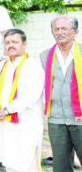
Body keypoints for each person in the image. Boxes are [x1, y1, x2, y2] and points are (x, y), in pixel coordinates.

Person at [0, 29, 44, 172]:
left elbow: (31, 95)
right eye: (7, 43)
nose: (10, 45)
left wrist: (7, 110)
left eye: (14, 42)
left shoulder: (32, 65)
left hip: (24, 123)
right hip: (3, 123)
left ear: (24, 44)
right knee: (9, 160)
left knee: (26, 162)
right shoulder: (0, 66)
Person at [40, 15, 82, 172]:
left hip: (81, 118)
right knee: (61, 165)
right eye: (56, 29)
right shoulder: (45, 56)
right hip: (56, 120)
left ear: (75, 31)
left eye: (64, 28)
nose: (59, 32)